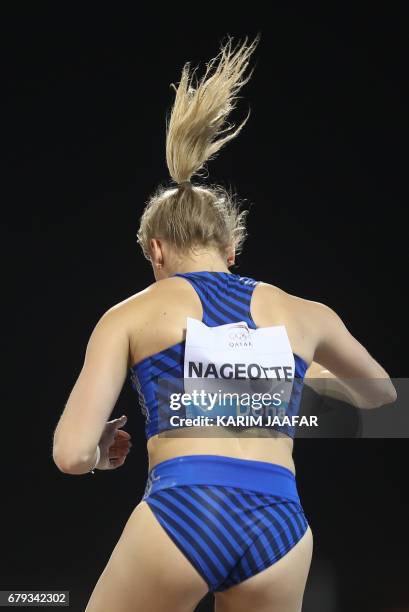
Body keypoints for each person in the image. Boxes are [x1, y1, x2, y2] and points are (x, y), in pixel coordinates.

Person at [52, 35, 396, 612]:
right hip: (281, 526)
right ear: (231, 248)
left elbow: (68, 454)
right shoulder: (304, 313)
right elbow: (382, 394)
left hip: (187, 509)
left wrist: (97, 457)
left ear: (155, 251)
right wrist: (281, 384)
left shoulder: (131, 313)